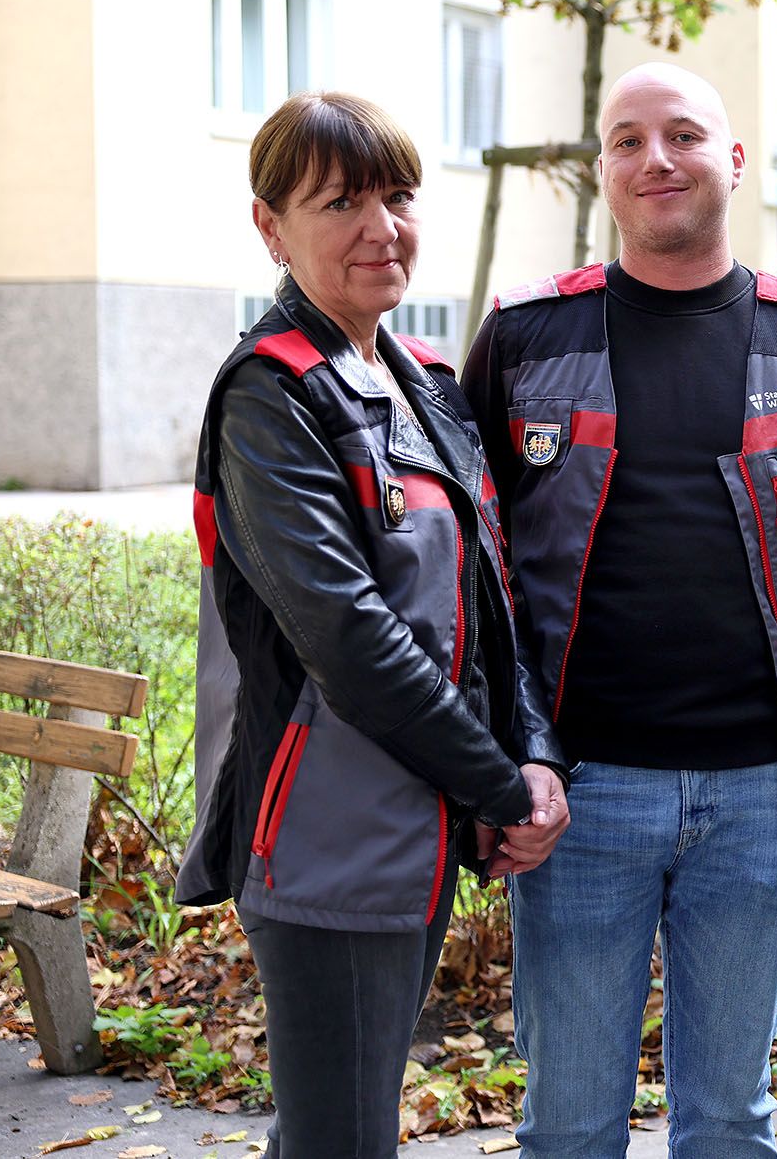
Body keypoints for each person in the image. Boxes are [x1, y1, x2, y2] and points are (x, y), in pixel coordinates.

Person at [463, 62, 777, 1158]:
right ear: (601, 170)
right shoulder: (523, 340)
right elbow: (481, 571)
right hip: (578, 795)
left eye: (683, 135)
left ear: (734, 161)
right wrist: (515, 757)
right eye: (627, 140)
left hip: (756, 797)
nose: (656, 159)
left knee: (730, 1124)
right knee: (568, 1125)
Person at [175, 92, 571, 1159]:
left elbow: (494, 600)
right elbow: (343, 633)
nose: (379, 228)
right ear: (270, 225)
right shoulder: (270, 397)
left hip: (421, 824)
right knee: (340, 1140)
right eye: (339, 201)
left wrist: (530, 755)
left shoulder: (419, 383)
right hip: (325, 836)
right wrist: (497, 782)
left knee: (344, 1129)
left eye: (396, 196)